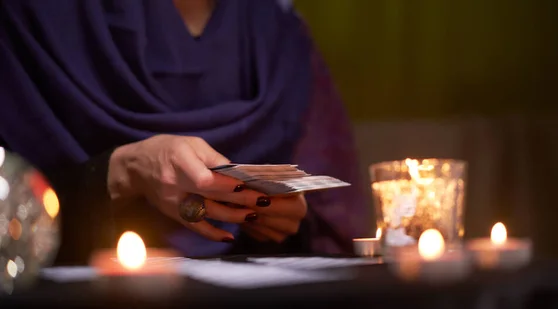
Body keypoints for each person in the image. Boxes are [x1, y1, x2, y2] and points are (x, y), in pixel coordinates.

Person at [0, 0, 368, 264]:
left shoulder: (278, 36)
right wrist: (121, 172)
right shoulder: (31, 20)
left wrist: (280, 223)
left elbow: (330, 226)